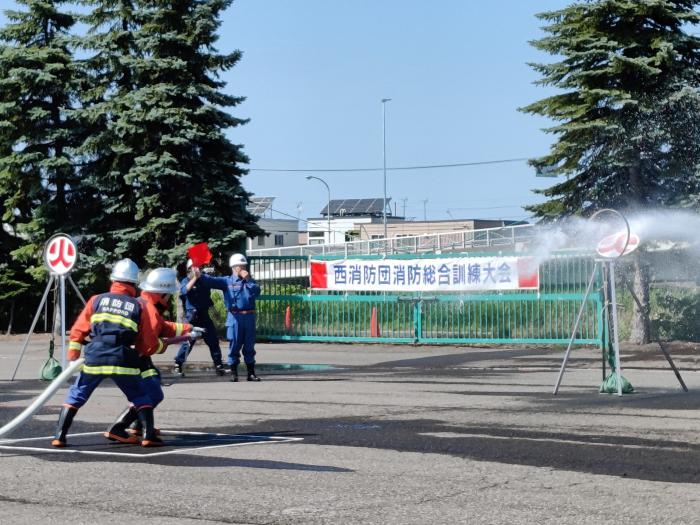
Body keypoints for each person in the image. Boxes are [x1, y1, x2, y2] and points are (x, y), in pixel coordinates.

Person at [51, 259, 165, 448]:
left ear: (114, 279)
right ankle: (148, 436)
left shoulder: (96, 299)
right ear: (134, 283)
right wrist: (146, 352)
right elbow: (148, 340)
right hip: (122, 357)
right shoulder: (139, 305)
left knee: (77, 395)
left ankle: (59, 436)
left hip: (95, 355)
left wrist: (73, 354)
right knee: (140, 396)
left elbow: (79, 329)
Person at [105, 268, 202, 442]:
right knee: (152, 394)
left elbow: (163, 327)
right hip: (136, 357)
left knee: (153, 382)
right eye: (167, 295)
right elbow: (151, 345)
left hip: (138, 357)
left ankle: (138, 425)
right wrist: (181, 339)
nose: (168, 299)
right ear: (160, 294)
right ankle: (119, 427)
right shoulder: (148, 309)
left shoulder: (143, 303)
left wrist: (188, 329)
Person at [173, 259, 228, 377]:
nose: (196, 269)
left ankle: (218, 365)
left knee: (213, 340)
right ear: (189, 270)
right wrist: (195, 278)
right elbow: (183, 291)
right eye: (193, 267)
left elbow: (212, 288)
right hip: (192, 316)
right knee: (187, 342)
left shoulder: (204, 280)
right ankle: (178, 364)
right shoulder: (186, 280)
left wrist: (214, 310)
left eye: (197, 266)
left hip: (204, 315)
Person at [225, 254, 261, 382]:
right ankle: (233, 373)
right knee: (234, 344)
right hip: (235, 316)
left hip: (249, 316)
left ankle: (251, 374)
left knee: (249, 346)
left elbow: (257, 292)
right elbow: (209, 280)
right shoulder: (227, 281)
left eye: (244, 266)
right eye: (241, 266)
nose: (244, 268)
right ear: (234, 267)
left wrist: (248, 279)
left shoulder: (250, 281)